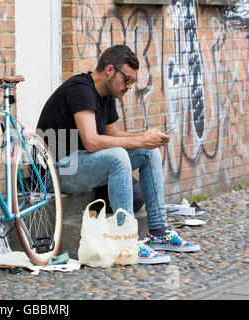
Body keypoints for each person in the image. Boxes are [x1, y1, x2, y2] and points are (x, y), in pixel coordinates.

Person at [36, 44, 200, 264]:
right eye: (128, 80)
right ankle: (126, 241)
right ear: (110, 70)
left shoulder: (106, 94)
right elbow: (92, 142)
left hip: (82, 164)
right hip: (55, 171)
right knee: (118, 156)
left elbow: (113, 134)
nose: (130, 86)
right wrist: (139, 140)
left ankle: (159, 233)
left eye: (133, 82)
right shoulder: (81, 89)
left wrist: (145, 138)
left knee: (147, 153)